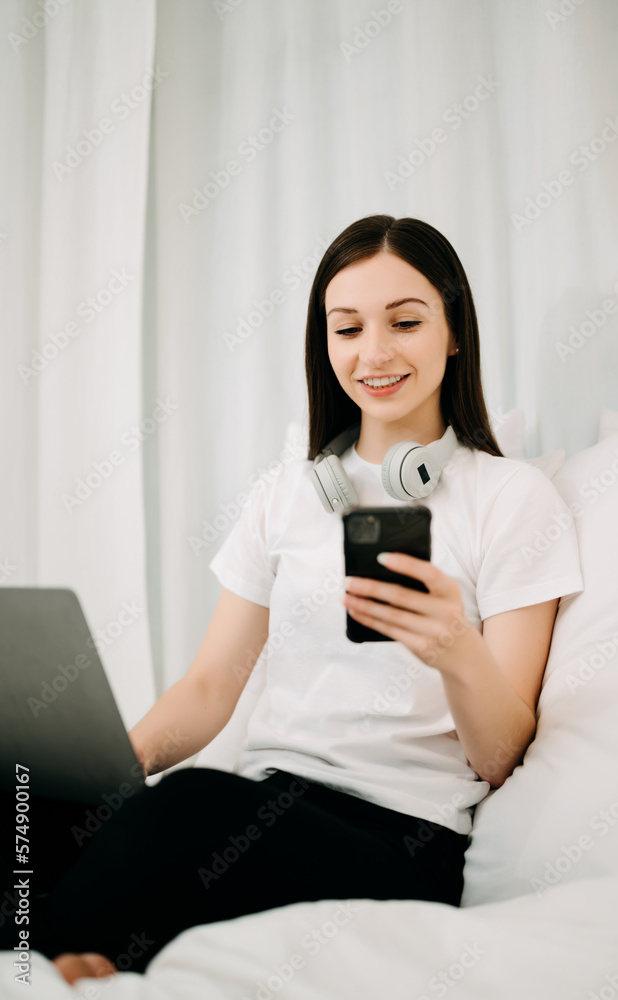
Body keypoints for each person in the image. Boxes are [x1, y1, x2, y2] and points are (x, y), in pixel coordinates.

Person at [6, 215, 584, 984]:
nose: (373, 353)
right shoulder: (285, 497)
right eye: (347, 329)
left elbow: (503, 754)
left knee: (187, 810)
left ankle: (42, 952)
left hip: (400, 841)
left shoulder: (513, 498)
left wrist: (456, 651)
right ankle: (71, 952)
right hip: (259, 809)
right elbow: (212, 685)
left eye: (405, 322)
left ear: (452, 333)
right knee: (26, 809)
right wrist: (117, 770)